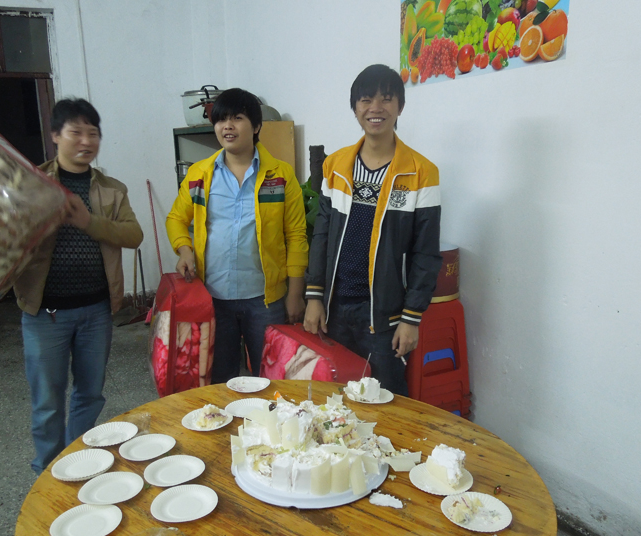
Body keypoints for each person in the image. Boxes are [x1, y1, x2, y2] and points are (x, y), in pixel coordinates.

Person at [0, 98, 144, 474]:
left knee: (90, 394)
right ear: (55, 135)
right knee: (48, 402)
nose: (86, 141)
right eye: (75, 132)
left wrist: (89, 221)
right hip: (46, 313)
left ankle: (80, 464)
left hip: (96, 310)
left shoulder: (112, 189)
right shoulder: (26, 185)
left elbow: (133, 235)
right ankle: (47, 472)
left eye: (93, 133)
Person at [303, 64, 442, 396]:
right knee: (335, 400)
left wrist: (411, 318)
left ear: (400, 107)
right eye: (366, 100)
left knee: (385, 400)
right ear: (355, 108)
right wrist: (314, 297)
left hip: (384, 316)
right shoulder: (335, 166)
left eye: (387, 99)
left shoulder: (421, 172)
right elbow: (321, 235)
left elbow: (425, 253)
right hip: (335, 309)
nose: (376, 108)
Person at [166, 88, 308, 383]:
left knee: (269, 378)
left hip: (265, 300)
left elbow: (296, 235)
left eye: (237, 118)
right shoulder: (199, 175)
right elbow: (176, 219)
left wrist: (295, 294)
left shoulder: (280, 176)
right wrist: (184, 250)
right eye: (221, 120)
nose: (227, 126)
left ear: (256, 126)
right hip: (214, 297)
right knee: (220, 378)